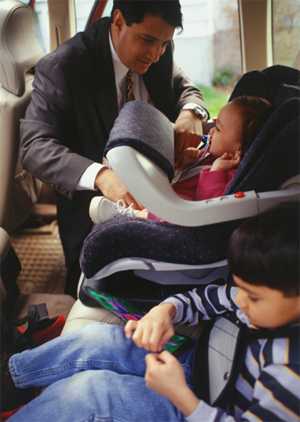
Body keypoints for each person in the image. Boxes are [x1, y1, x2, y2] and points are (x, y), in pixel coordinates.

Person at [4, 202, 300, 421]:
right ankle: (11, 380)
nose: (241, 302)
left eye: (253, 298)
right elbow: (205, 298)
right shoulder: (257, 297)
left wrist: (181, 398)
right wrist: (166, 311)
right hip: (199, 365)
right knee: (99, 338)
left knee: (91, 392)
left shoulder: (290, 374)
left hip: (201, 407)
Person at [20, 0, 208, 296]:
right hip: (94, 208)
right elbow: (34, 147)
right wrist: (102, 177)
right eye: (147, 41)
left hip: (162, 188)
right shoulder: (63, 66)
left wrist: (192, 112)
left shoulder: (159, 49)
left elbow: (186, 87)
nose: (156, 54)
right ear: (118, 21)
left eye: (164, 44)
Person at [89, 96, 272, 223]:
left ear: (235, 153)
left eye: (218, 128)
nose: (211, 131)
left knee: (163, 219)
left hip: (184, 214)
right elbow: (197, 167)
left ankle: (131, 216)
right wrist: (190, 158)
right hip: (173, 195)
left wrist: (215, 172)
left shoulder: (228, 173)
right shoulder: (214, 151)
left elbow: (209, 208)